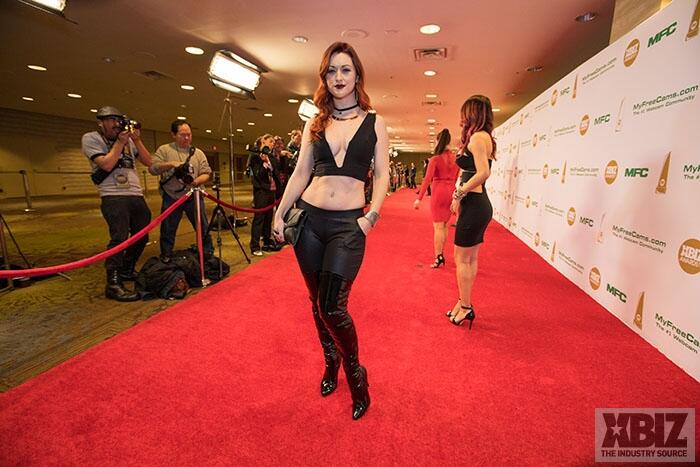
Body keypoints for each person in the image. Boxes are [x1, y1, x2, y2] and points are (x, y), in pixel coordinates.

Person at [272, 42, 389, 420]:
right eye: (332, 71)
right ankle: (330, 362)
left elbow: (382, 174)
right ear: (324, 77)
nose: (338, 77)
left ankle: (355, 373)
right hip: (309, 222)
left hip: (348, 225)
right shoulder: (314, 122)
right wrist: (280, 211)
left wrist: (371, 216)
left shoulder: (375, 121)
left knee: (331, 306)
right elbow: (300, 173)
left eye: (345, 70)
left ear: (357, 75)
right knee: (315, 302)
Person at [81, 106, 152, 301]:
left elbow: (149, 162)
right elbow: (106, 164)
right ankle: (112, 282)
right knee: (119, 238)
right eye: (110, 120)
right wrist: (120, 143)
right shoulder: (91, 138)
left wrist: (136, 140)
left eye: (118, 120)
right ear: (101, 122)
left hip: (135, 194)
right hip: (113, 195)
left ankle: (127, 270)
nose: (115, 124)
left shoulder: (129, 140)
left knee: (141, 236)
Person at [446, 95, 497, 329]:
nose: (462, 118)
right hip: (477, 203)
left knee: (462, 259)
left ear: (472, 114)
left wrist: (459, 192)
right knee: (469, 258)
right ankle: (462, 302)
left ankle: (466, 307)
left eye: (465, 113)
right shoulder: (484, 137)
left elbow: (483, 172)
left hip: (474, 204)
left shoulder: (477, 138)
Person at [149, 120, 213, 260]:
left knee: (202, 226)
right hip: (171, 196)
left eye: (189, 135)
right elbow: (153, 168)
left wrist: (195, 181)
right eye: (182, 135)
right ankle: (166, 254)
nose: (186, 138)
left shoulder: (198, 153)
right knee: (168, 228)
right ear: (173, 134)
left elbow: (206, 173)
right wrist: (171, 164)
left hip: (193, 196)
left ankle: (208, 253)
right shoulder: (164, 150)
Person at [413, 129, 459, 268]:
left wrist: (419, 198)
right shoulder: (456, 158)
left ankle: (439, 256)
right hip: (451, 192)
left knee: (438, 227)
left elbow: (427, 179)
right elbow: (457, 177)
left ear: (439, 141)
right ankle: (441, 252)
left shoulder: (435, 159)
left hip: (439, 192)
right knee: (444, 226)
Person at [247, 134, 281, 256]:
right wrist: (264, 163)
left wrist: (268, 162)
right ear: (263, 141)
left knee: (268, 217)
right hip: (261, 191)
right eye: (270, 141)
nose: (272, 144)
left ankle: (267, 241)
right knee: (259, 218)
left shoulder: (271, 157)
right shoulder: (255, 156)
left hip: (272, 190)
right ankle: (255, 245)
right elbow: (258, 175)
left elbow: (276, 170)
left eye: (273, 142)